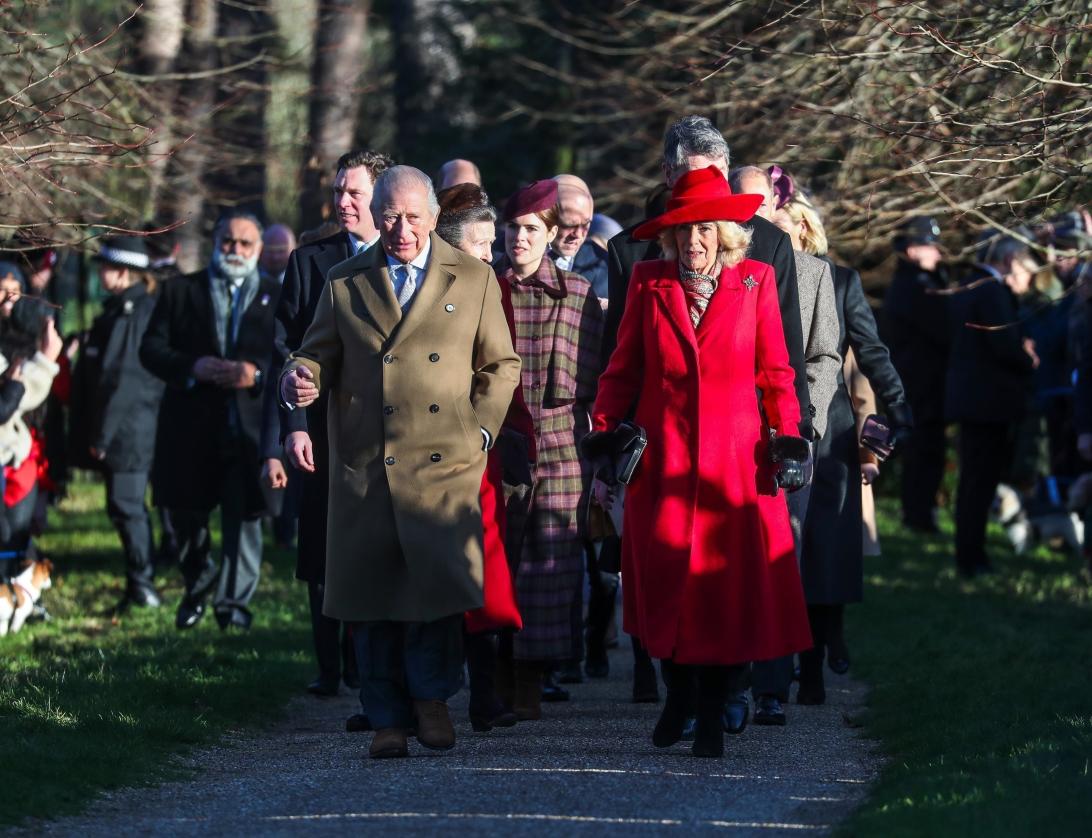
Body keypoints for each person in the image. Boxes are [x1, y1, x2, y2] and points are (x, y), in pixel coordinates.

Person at [279, 165, 521, 759]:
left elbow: (500, 365)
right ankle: (385, 714)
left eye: (414, 216)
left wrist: (482, 432)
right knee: (373, 595)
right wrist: (301, 378)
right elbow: (314, 353)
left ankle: (432, 702)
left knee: (434, 592)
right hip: (368, 463)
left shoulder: (474, 277)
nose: (402, 229)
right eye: (390, 215)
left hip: (444, 463)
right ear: (374, 215)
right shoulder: (344, 280)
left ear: (435, 218)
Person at [588, 165, 812, 758]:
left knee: (727, 596)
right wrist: (606, 435)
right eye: (683, 231)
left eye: (705, 230)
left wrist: (788, 438)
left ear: (727, 233)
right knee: (666, 587)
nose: (694, 241)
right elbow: (622, 368)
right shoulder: (650, 283)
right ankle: (679, 696)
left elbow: (777, 373)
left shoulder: (756, 282)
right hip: (664, 463)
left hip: (736, 467)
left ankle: (713, 711)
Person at [261, 149, 392, 700]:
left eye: (354, 192)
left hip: (382, 428)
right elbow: (284, 346)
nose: (341, 201)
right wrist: (292, 423)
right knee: (318, 546)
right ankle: (328, 666)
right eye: (338, 191)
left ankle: (368, 664)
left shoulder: (405, 261)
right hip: (320, 426)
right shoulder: (310, 261)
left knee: (374, 546)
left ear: (381, 199)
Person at [774, 190, 910, 706]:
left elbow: (871, 351)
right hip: (769, 430)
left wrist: (896, 405)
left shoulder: (839, 281)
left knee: (822, 556)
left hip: (827, 436)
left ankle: (814, 661)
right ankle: (775, 666)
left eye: (782, 226)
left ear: (806, 231)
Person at [493, 178, 603, 720]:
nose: (520, 238)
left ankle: (533, 685)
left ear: (552, 233)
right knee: (501, 564)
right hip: (500, 445)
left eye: (531, 229)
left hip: (563, 449)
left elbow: (600, 382)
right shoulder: (486, 289)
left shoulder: (579, 293)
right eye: (513, 228)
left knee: (551, 568)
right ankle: (499, 679)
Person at [140, 210, 280, 631]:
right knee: (187, 517)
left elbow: (294, 358)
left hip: (249, 428)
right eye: (228, 242)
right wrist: (191, 365)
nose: (235, 251)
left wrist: (255, 375)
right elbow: (151, 349)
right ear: (216, 242)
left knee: (245, 520)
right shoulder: (180, 291)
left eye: (245, 244)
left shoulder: (278, 295)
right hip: (191, 426)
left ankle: (233, 605)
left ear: (258, 249)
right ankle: (197, 582)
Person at [736, 169, 839, 726]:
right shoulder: (713, 262)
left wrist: (807, 424)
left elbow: (824, 354)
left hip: (790, 437)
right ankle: (727, 675)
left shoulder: (809, 271)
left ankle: (772, 685)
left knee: (782, 558)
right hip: (729, 432)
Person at [435, 182, 533, 732]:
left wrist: (488, 430)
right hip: (426, 448)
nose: (492, 255)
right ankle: (433, 694)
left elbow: (502, 368)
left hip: (477, 446)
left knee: (486, 575)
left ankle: (484, 694)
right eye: (481, 244)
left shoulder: (486, 287)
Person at [69, 236, 165, 609]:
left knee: (127, 506)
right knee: (121, 506)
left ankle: (143, 586)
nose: (100, 274)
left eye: (105, 268)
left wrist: (103, 435)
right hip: (122, 429)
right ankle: (139, 582)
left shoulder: (134, 312)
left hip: (128, 430)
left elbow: (123, 378)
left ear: (123, 273)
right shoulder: (120, 309)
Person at [946, 231, 1038, 577]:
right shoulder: (991, 291)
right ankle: (973, 557)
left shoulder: (966, 287)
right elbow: (1003, 346)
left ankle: (969, 553)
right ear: (1010, 258)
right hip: (988, 402)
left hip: (971, 398)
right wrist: (1027, 357)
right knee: (979, 483)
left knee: (973, 481)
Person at [880, 216, 950, 533]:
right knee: (922, 449)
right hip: (918, 381)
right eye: (929, 246)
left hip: (924, 379)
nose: (937, 253)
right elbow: (939, 329)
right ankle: (918, 516)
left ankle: (921, 513)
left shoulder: (919, 284)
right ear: (912, 251)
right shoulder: (914, 288)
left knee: (927, 449)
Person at [551, 174, 609, 302]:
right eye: (570, 224)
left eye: (586, 224)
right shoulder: (507, 252)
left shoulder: (604, 266)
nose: (578, 234)